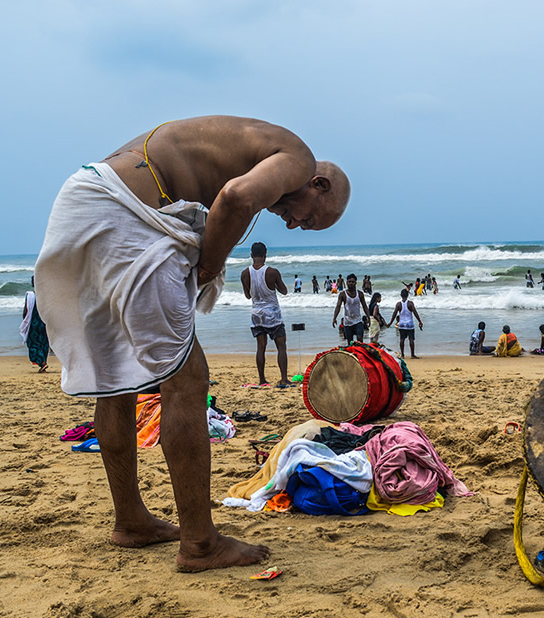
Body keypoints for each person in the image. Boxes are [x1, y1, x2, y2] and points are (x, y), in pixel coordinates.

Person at [34, 116, 350, 572]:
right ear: (317, 183)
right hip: (127, 210)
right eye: (310, 218)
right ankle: (201, 543)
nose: (296, 225)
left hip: (87, 197)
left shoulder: (254, 147)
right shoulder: (297, 158)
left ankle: (131, 521)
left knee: (115, 379)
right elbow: (235, 199)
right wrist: (207, 266)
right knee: (187, 378)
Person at [243, 242, 290, 388]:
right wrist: (274, 284)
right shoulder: (272, 272)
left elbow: (247, 296)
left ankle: (262, 380)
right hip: (272, 314)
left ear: (251, 255)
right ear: (265, 254)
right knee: (281, 346)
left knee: (260, 348)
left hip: (256, 313)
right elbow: (284, 291)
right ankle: (283, 378)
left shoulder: (245, 273)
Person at [20, 277, 50, 372]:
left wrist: (24, 320)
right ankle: (43, 362)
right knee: (43, 342)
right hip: (44, 322)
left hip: (34, 323)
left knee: (33, 343)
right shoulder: (46, 295)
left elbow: (26, 309)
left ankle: (42, 363)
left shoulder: (30, 295)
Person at [333, 273, 371, 344]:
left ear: (355, 283)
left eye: (352, 282)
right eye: (349, 282)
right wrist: (334, 318)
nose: (351, 283)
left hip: (358, 321)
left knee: (360, 341)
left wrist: (369, 317)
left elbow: (364, 306)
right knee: (350, 342)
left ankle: (359, 355)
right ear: (347, 282)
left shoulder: (360, 294)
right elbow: (338, 306)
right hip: (347, 322)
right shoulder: (342, 294)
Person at [388, 289, 424, 359]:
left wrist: (390, 323)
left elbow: (394, 314)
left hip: (401, 324)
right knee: (411, 339)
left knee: (402, 339)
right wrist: (420, 321)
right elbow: (415, 312)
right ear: (407, 295)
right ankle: (412, 355)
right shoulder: (410, 303)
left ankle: (403, 355)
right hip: (409, 324)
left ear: (401, 295)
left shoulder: (398, 304)